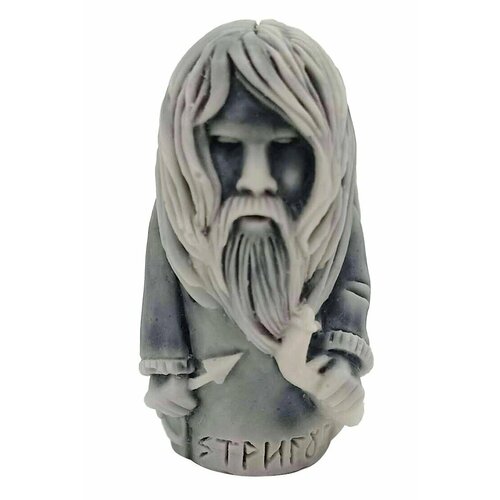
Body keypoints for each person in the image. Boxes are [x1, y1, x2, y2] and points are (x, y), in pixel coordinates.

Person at [140, 19, 373, 475]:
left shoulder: (335, 214)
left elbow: (351, 286)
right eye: (227, 144)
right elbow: (160, 293)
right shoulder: (178, 215)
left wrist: (341, 362)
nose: (256, 180)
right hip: (209, 431)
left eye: (284, 145)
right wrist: (166, 373)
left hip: (304, 426)